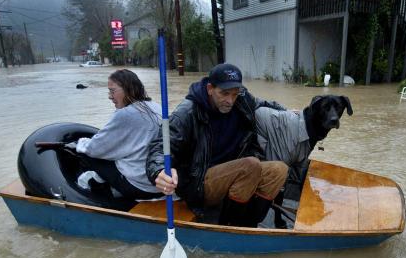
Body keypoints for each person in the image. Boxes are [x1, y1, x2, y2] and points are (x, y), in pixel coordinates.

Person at [146, 63, 289, 227]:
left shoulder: (242, 100)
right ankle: (230, 226)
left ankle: (250, 223)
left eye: (234, 94)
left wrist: (289, 113)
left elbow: (263, 103)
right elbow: (160, 145)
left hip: (236, 171)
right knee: (251, 165)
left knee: (280, 169)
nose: (230, 100)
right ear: (210, 89)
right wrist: (159, 170)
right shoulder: (187, 112)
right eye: (224, 93)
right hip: (200, 182)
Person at [72, 69, 164, 203]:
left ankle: (100, 195)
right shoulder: (156, 107)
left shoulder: (124, 114)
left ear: (128, 89)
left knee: (84, 155)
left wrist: (81, 142)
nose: (110, 96)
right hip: (160, 184)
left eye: (112, 91)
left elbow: (94, 149)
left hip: (139, 187)